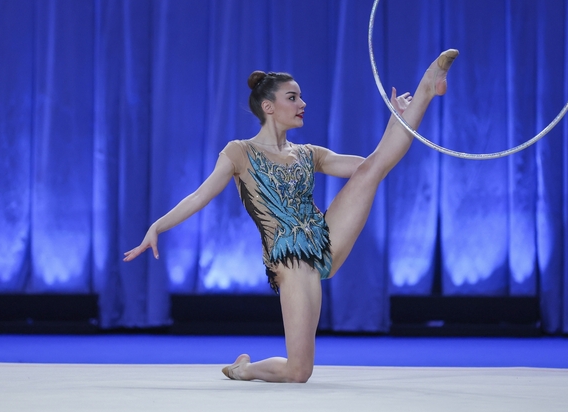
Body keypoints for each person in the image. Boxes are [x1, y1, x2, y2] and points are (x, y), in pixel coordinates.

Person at [124, 49, 459, 382]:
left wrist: (398, 119)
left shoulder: (307, 153)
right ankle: (245, 369)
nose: (302, 104)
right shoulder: (240, 151)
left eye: (301, 97)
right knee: (299, 371)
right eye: (293, 97)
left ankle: (428, 86)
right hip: (290, 258)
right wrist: (157, 225)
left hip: (324, 238)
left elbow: (374, 165)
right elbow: (199, 195)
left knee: (371, 171)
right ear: (269, 107)